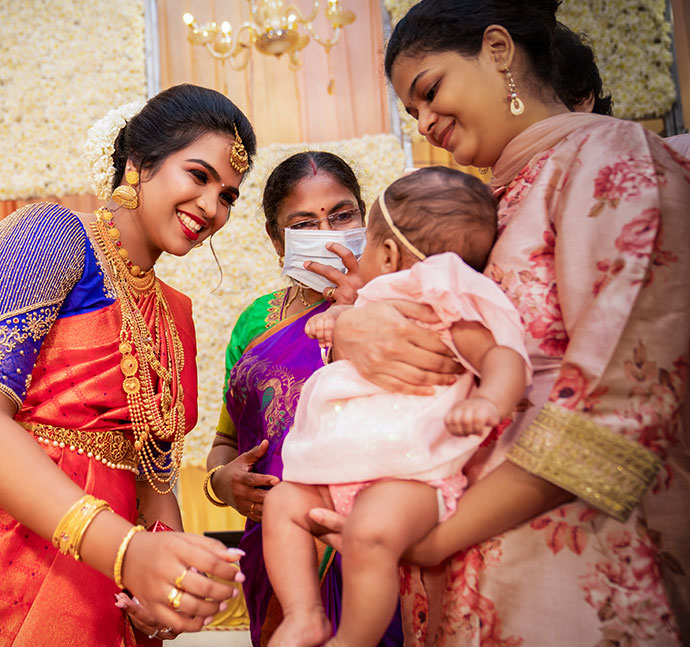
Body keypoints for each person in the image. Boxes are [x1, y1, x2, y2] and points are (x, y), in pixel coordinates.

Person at [311, 1, 690, 644]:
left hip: (562, 577)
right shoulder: (485, 204)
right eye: (411, 112)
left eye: (430, 91)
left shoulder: (605, 156)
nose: (425, 123)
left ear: (497, 50)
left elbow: (623, 397)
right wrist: (351, 325)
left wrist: (436, 540)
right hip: (451, 578)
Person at [0, 84, 258, 647]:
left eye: (228, 196)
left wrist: (164, 579)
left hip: (99, 572)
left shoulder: (175, 314)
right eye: (198, 175)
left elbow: (154, 473)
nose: (212, 208)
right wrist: (127, 552)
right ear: (138, 163)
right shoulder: (51, 236)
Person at [263, 167, 530, 647]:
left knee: (369, 533)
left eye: (363, 240)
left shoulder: (444, 304)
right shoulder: (369, 299)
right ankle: (304, 615)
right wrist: (336, 322)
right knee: (283, 503)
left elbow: (502, 356)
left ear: (386, 253)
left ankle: (352, 639)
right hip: (341, 469)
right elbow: (348, 324)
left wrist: (491, 398)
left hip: (409, 476)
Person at [205, 151, 409, 647]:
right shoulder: (255, 323)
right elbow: (225, 443)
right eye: (304, 224)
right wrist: (222, 483)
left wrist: (362, 308)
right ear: (278, 241)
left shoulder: (402, 301)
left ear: (365, 218)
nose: (328, 232)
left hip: (378, 540)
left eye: (341, 215)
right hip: (279, 550)